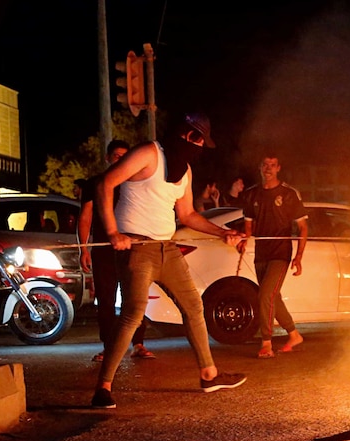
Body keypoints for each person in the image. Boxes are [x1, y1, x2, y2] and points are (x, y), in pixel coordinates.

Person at [90, 112, 246, 409]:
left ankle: (209, 374)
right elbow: (105, 185)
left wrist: (222, 233)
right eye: (199, 139)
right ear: (187, 134)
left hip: (167, 248)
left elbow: (187, 215)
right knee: (133, 314)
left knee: (193, 305)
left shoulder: (184, 171)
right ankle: (103, 387)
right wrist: (113, 232)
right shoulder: (148, 153)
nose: (199, 147)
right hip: (137, 247)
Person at [79, 139, 156, 363]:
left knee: (135, 296)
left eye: (125, 156)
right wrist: (84, 248)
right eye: (116, 156)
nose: (120, 160)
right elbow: (86, 217)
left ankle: (139, 343)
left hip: (132, 250)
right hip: (104, 251)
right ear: (107, 158)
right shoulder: (95, 184)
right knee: (105, 299)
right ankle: (109, 346)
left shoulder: (135, 184)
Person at [239, 155, 308, 359]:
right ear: (260, 167)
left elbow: (303, 227)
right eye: (265, 165)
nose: (268, 168)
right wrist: (243, 239)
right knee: (272, 297)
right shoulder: (251, 195)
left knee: (265, 294)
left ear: (278, 168)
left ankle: (266, 342)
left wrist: (299, 256)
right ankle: (294, 335)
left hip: (280, 252)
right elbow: (249, 226)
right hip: (261, 252)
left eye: (272, 165)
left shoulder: (289, 194)